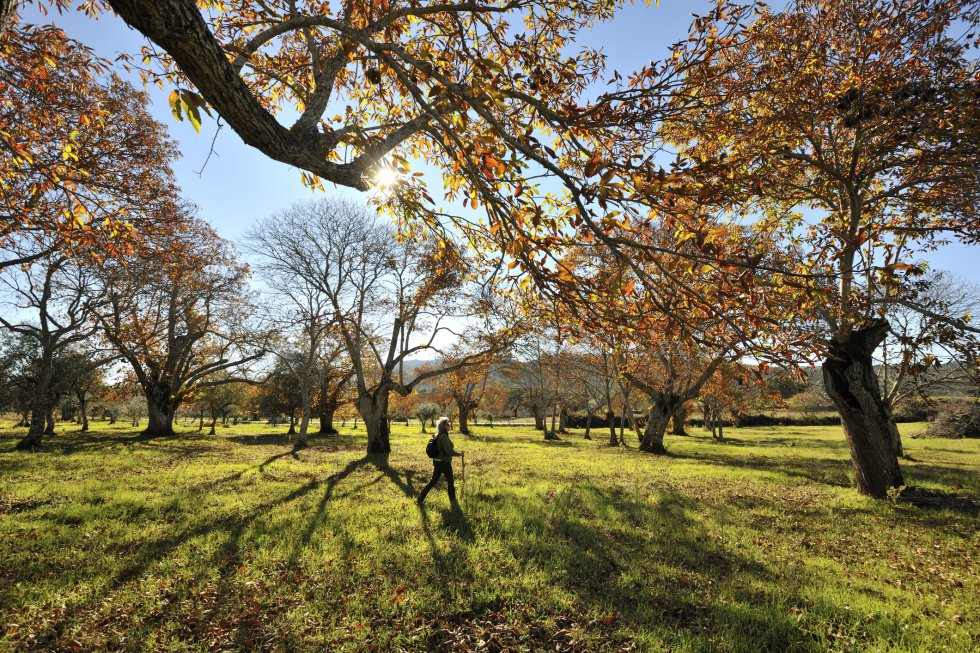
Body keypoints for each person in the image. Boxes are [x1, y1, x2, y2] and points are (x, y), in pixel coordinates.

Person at [417, 416, 463, 506]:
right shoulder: (443, 437)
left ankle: (420, 498)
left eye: (449, 423)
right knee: (450, 481)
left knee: (433, 481)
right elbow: (448, 451)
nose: (449, 425)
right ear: (443, 426)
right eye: (447, 424)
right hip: (444, 463)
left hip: (437, 461)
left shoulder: (438, 435)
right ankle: (453, 502)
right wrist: (459, 454)